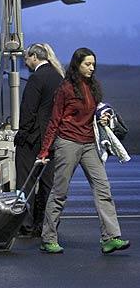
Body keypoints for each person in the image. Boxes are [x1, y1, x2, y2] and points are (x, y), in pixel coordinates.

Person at [38, 47, 130, 254]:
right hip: (68, 142)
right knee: (60, 192)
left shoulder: (93, 86)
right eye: (87, 64)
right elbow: (54, 121)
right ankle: (48, 238)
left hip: (89, 143)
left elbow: (94, 112)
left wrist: (102, 117)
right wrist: (45, 151)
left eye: (93, 64)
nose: (91, 68)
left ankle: (110, 237)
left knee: (103, 188)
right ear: (77, 65)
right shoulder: (66, 89)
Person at [14, 43, 64, 238]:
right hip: (52, 137)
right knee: (47, 183)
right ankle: (43, 223)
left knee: (26, 181)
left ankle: (25, 224)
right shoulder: (58, 76)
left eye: (26, 58)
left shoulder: (36, 78)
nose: (25, 62)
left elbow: (28, 110)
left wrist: (22, 134)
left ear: (34, 57)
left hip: (33, 137)